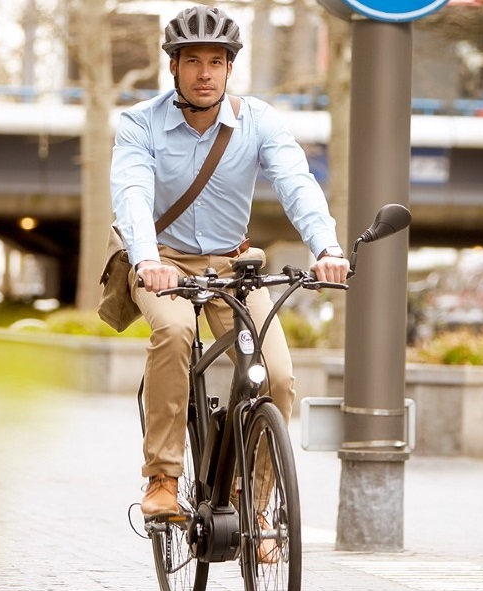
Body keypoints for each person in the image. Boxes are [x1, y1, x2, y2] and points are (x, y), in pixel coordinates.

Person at [110, 5, 350, 517]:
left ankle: (253, 498)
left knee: (278, 376)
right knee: (174, 332)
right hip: (164, 263)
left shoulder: (257, 121)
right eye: (192, 60)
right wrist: (147, 259)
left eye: (215, 62)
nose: (204, 73)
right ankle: (163, 477)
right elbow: (131, 193)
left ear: (228, 67)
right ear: (172, 66)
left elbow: (296, 184)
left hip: (232, 267)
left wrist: (326, 248)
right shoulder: (139, 124)